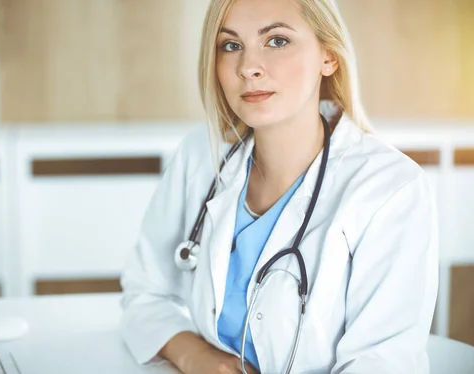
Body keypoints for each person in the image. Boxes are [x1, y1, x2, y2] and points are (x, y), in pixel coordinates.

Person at [119, 0, 439, 372]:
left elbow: (383, 363)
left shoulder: (391, 189)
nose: (248, 68)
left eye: (277, 41)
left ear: (328, 57)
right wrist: (196, 356)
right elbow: (144, 294)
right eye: (231, 45)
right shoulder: (201, 156)